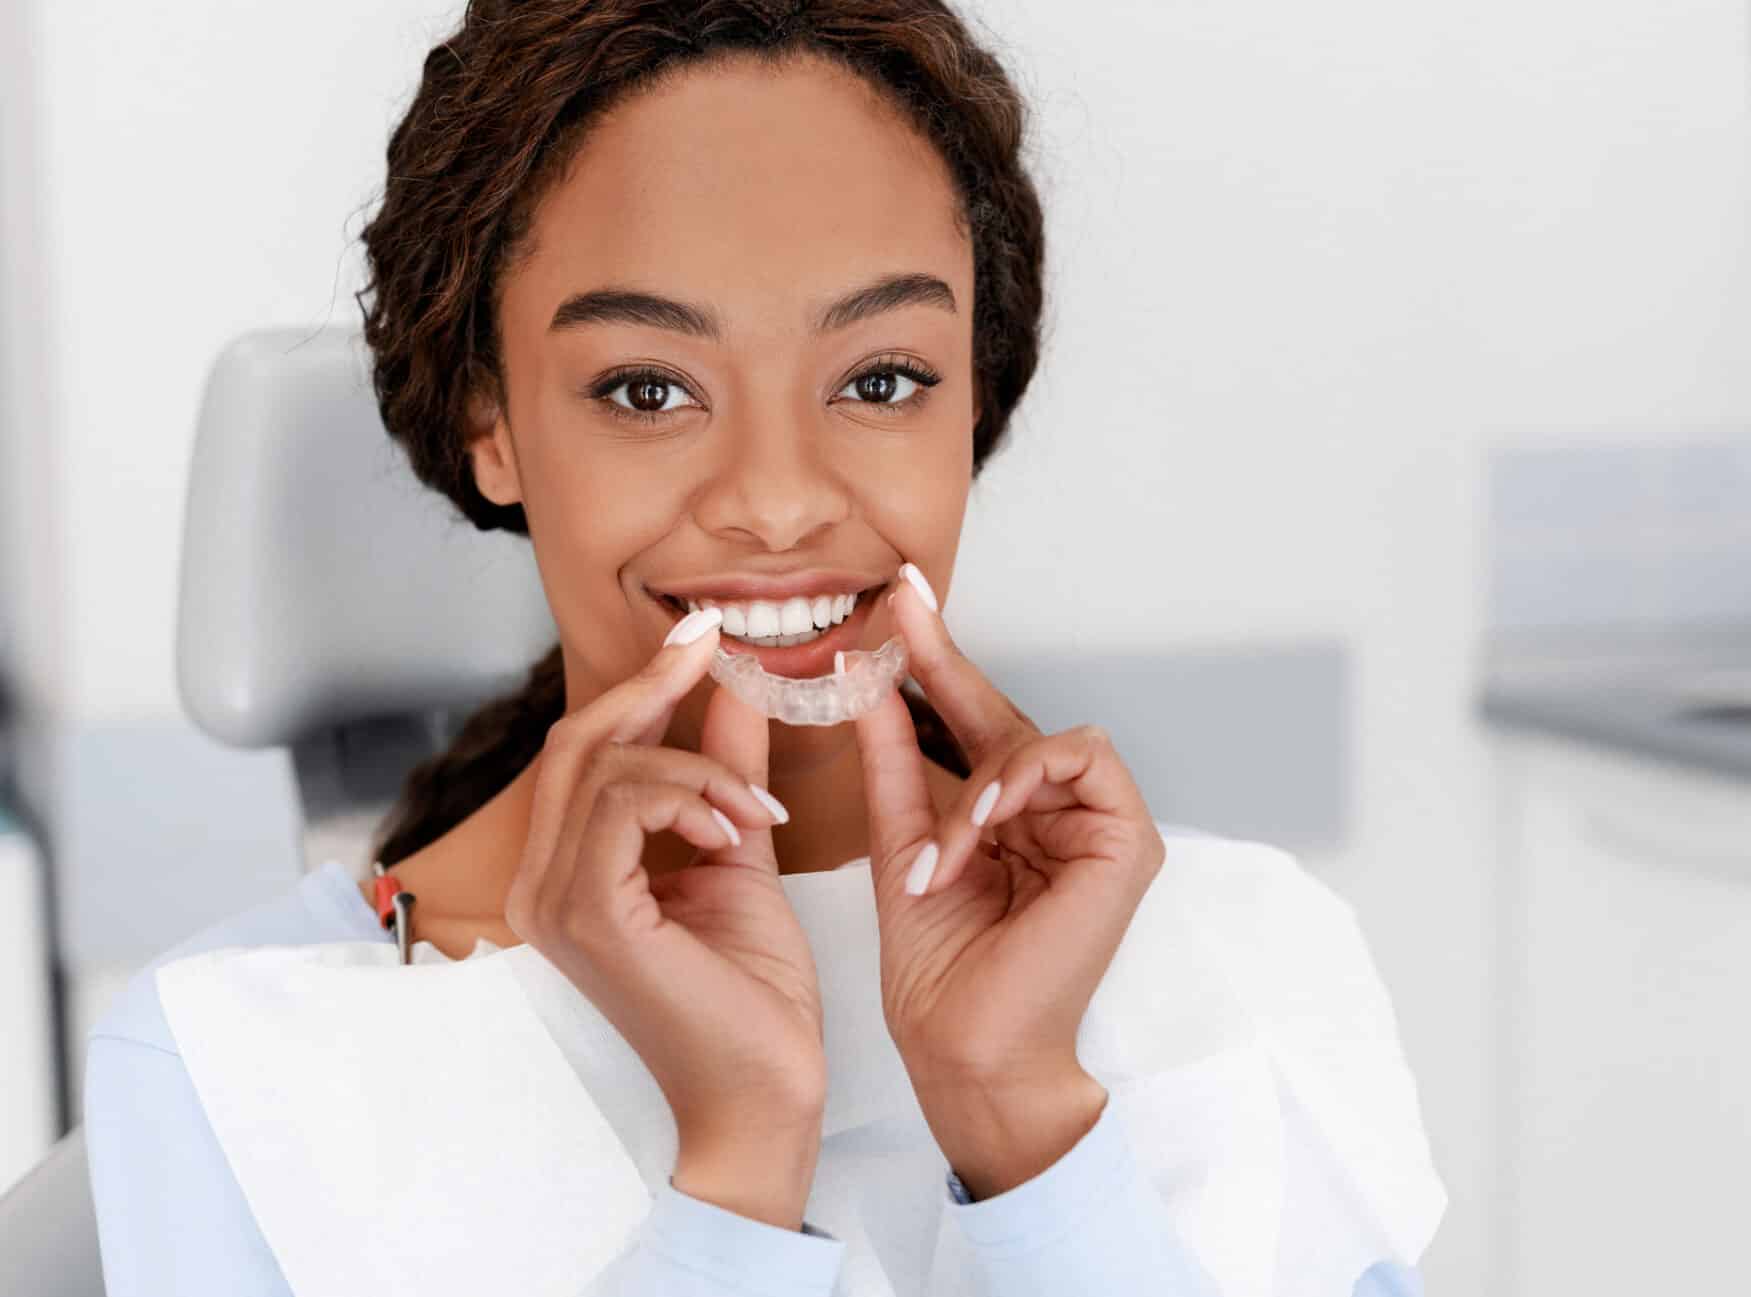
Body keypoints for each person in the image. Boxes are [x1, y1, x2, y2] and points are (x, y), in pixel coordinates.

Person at [83, 2, 1432, 1292]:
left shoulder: (1242, 962)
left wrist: (1020, 1115)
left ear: (973, 398)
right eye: (648, 388)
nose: (780, 498)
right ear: (490, 420)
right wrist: (735, 1164)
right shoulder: (245, 1070)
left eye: (881, 380)